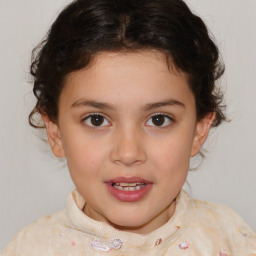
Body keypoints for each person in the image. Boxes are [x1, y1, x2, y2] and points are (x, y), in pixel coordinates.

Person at [1, 0, 256, 255]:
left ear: (199, 131)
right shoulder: (30, 249)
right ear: (55, 132)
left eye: (158, 120)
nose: (128, 153)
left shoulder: (233, 240)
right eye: (97, 120)